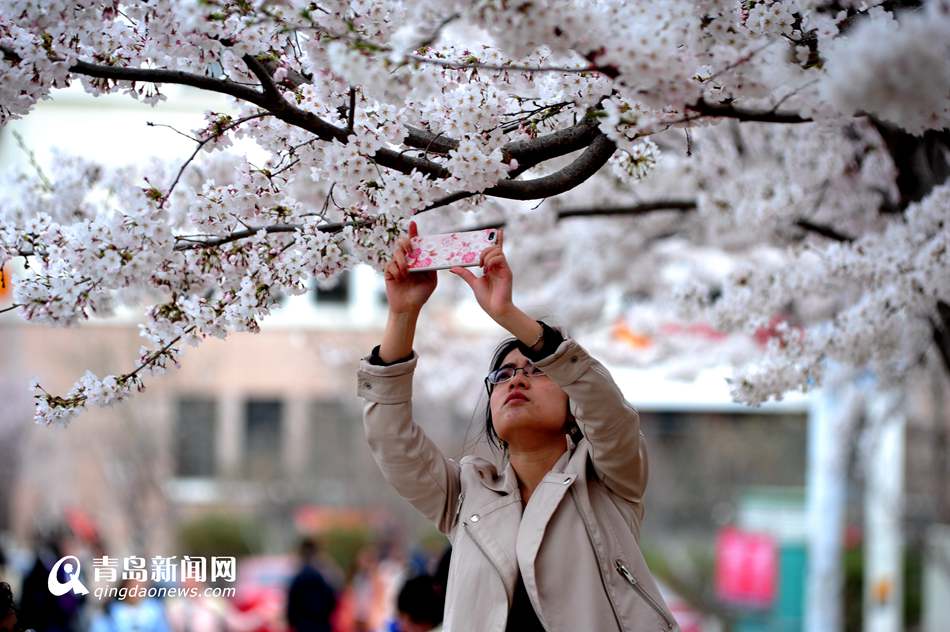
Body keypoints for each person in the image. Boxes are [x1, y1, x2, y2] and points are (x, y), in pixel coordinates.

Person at [356, 222, 680, 631]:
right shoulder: (464, 497)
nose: (517, 381)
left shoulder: (610, 480)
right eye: (504, 375)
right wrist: (403, 315)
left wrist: (507, 315)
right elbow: (391, 440)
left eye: (536, 370)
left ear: (571, 403)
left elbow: (608, 411)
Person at [286, 538, 336, 632]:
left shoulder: (299, 577)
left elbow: (292, 605)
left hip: (303, 625)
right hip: (322, 624)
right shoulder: (324, 575)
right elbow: (332, 598)